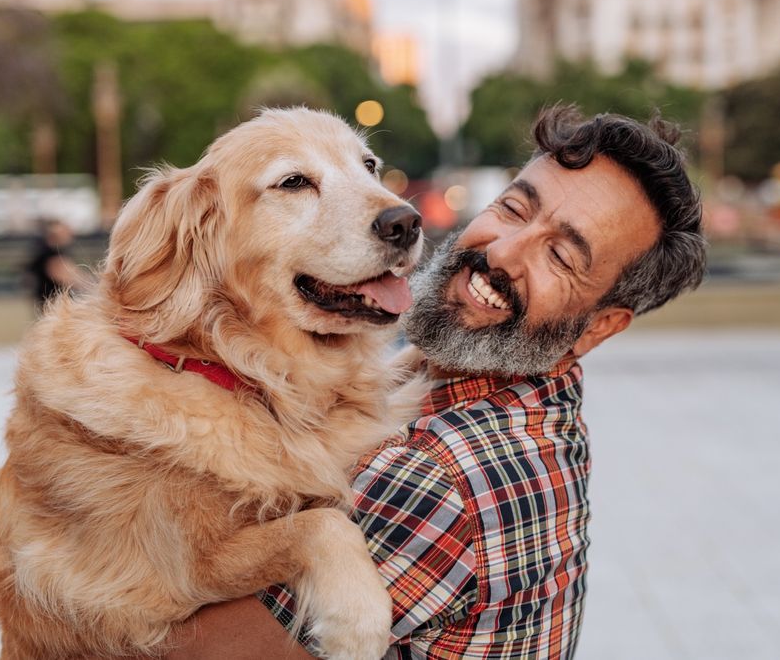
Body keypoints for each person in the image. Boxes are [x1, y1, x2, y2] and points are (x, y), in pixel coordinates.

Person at [159, 105, 707, 659]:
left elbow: (179, 651)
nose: (500, 252)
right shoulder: (517, 405)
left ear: (599, 326)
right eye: (514, 209)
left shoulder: (441, 474)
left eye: (561, 256)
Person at [25, 219, 91, 312]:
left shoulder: (56, 251)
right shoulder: (50, 253)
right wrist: (92, 285)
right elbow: (65, 275)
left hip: (52, 302)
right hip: (52, 302)